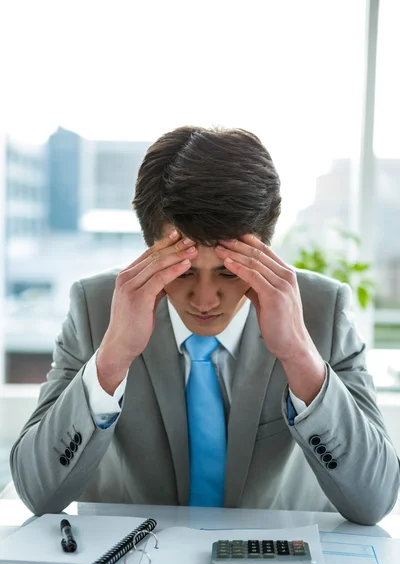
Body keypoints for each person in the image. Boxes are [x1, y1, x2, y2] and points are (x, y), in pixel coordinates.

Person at [10, 126, 400, 524]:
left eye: (230, 273)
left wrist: (300, 356)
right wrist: (112, 357)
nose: (205, 299)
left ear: (263, 249)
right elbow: (38, 494)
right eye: (182, 272)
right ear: (152, 251)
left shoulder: (321, 310)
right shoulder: (97, 308)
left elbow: (375, 500)